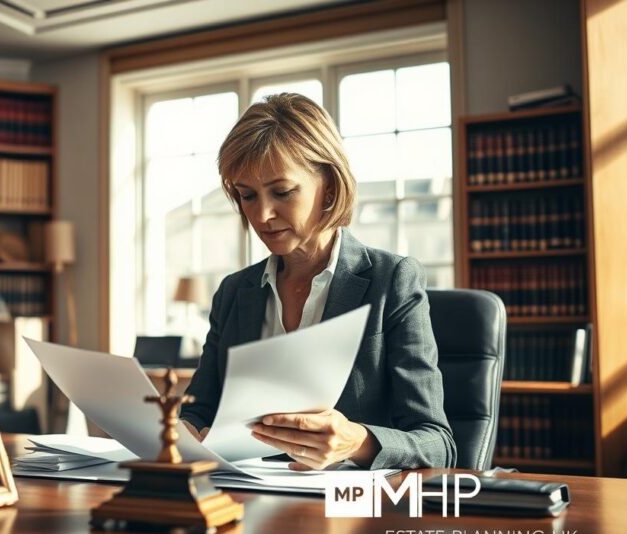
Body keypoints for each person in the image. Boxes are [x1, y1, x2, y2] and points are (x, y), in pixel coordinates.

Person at [179, 93, 456, 471]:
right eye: (247, 196)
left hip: (352, 508)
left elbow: (438, 444)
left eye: (282, 192)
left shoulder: (392, 281)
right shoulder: (233, 292)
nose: (262, 214)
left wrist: (354, 441)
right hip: (242, 497)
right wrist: (181, 431)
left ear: (328, 185)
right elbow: (199, 409)